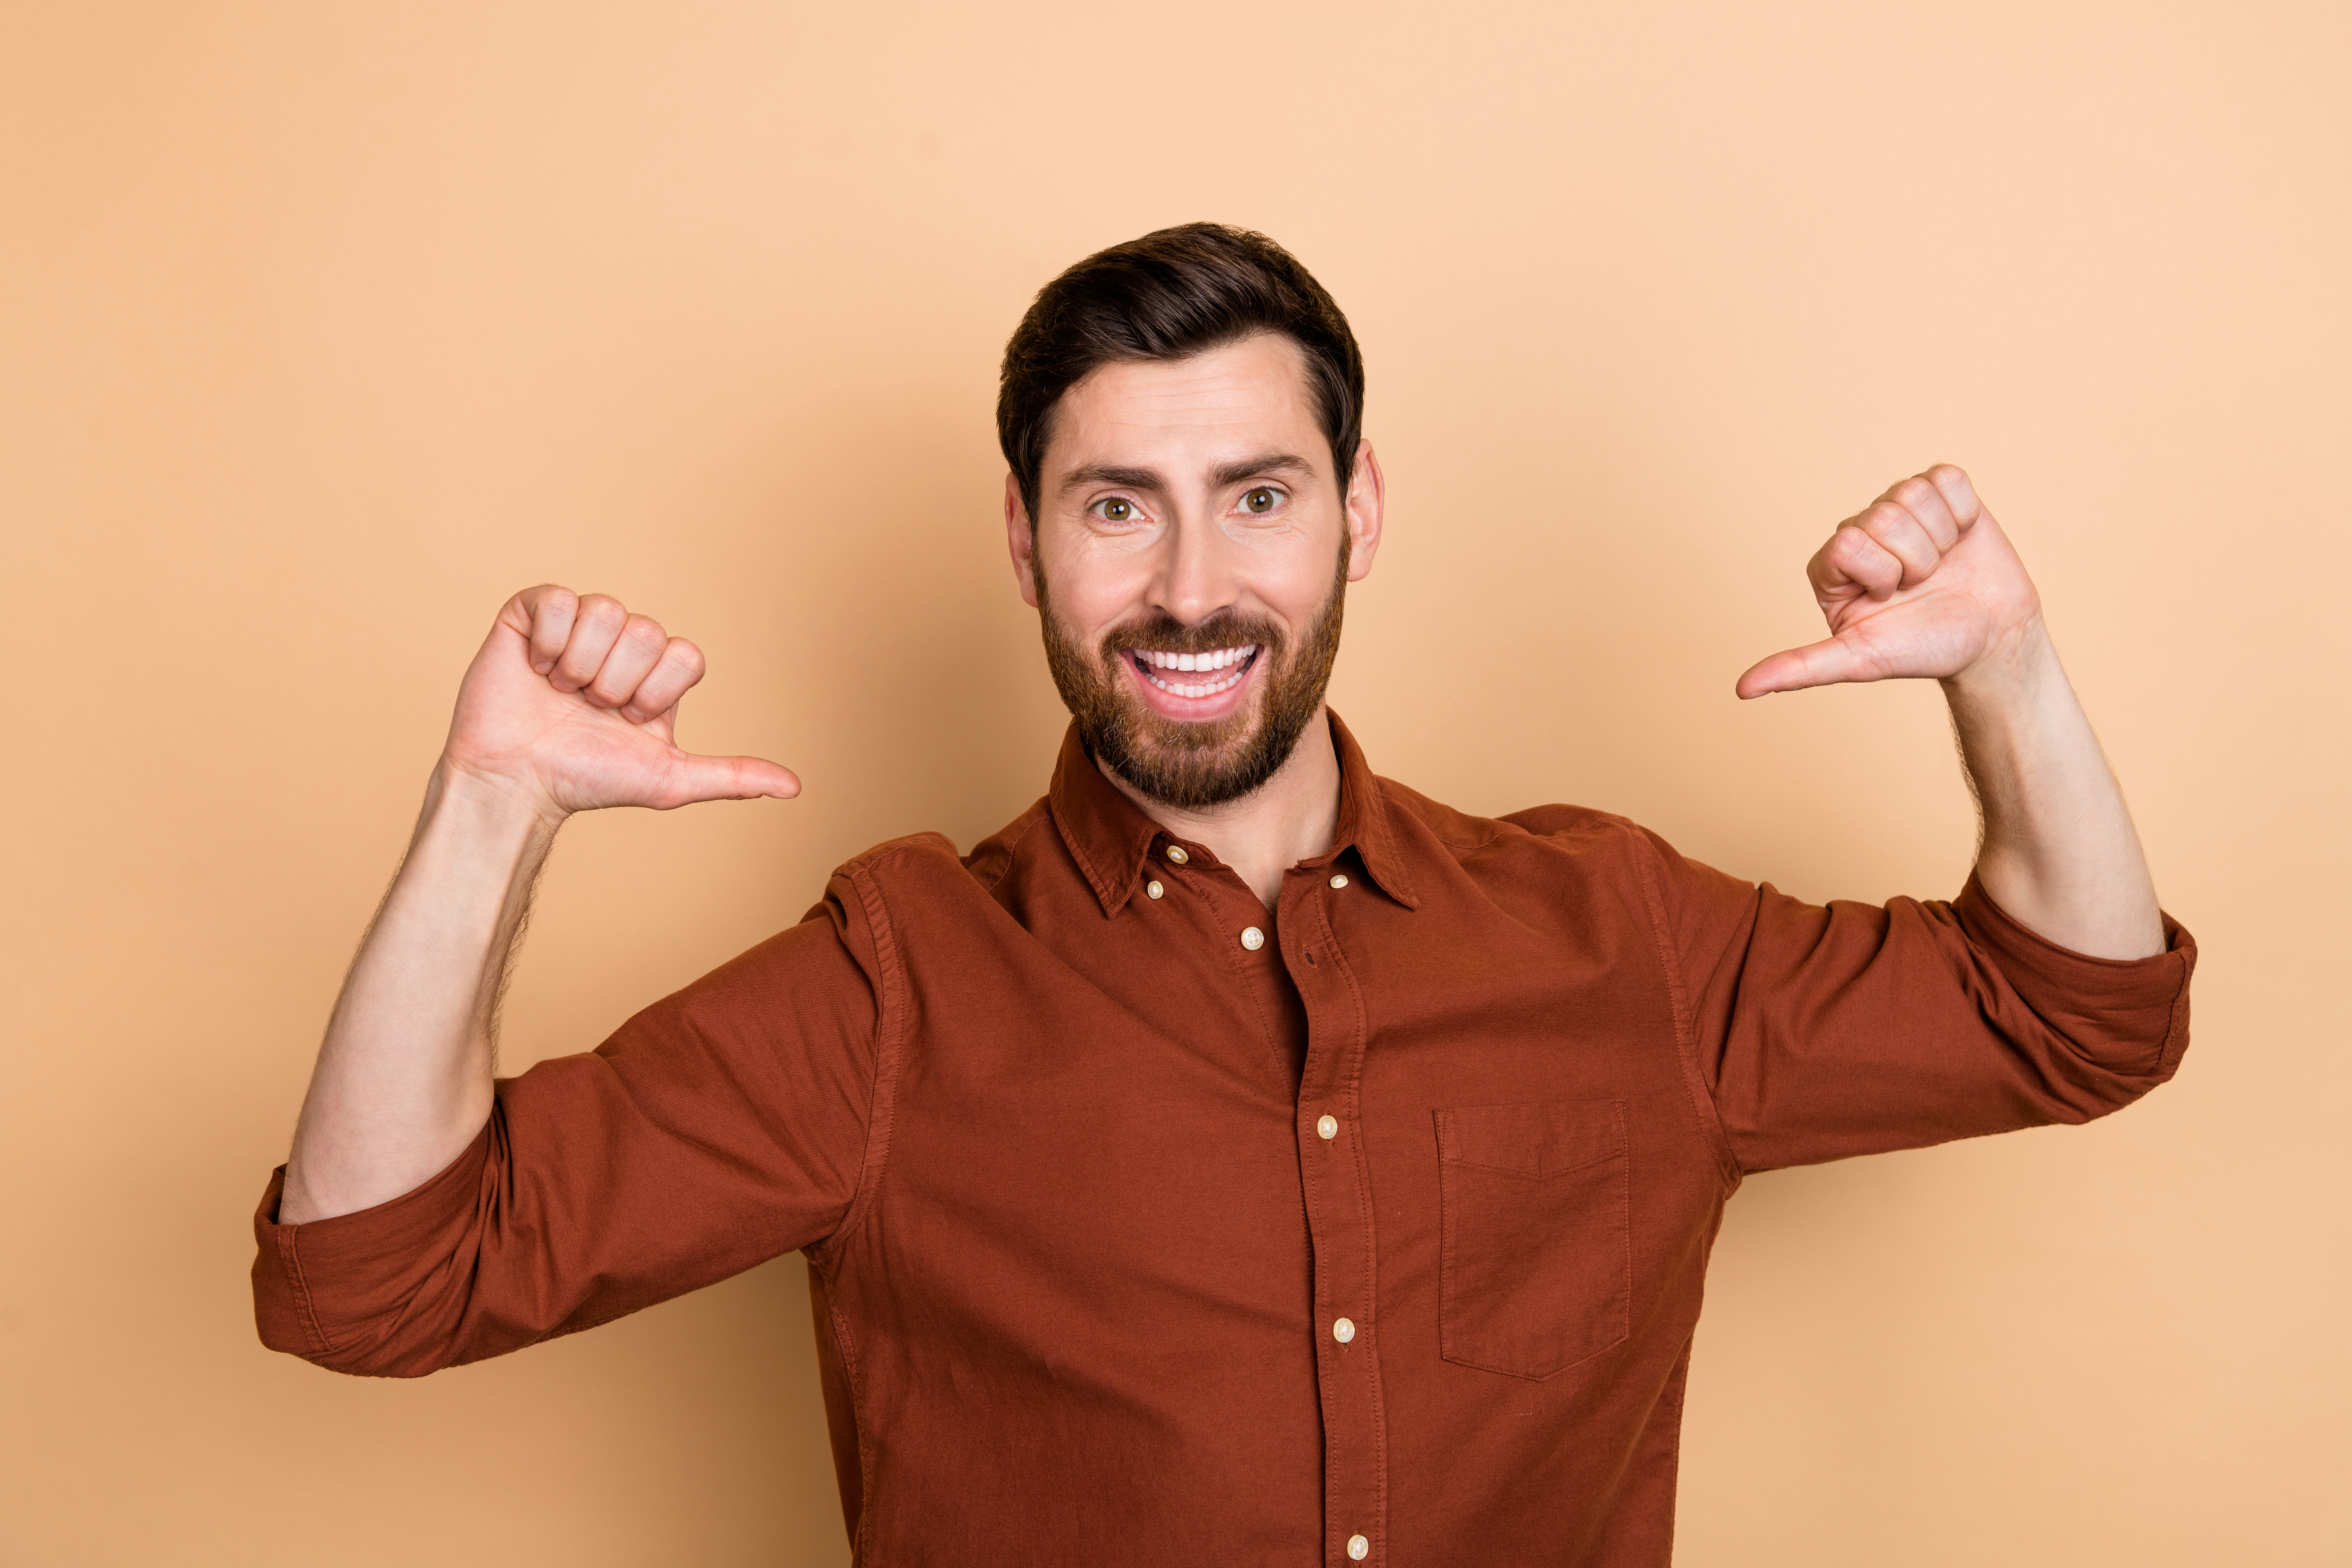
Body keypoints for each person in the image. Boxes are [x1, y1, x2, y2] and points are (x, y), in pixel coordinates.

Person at [252, 223, 2195, 1566]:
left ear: (1360, 511)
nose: (1190, 586)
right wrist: (493, 806)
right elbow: (373, 1280)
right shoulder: (893, 986)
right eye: (1120, 506)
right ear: (1026, 541)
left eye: (1258, 494)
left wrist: (2005, 669)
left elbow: (2080, 1016)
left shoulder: (1624, 938)